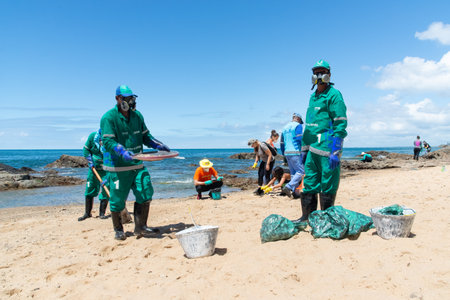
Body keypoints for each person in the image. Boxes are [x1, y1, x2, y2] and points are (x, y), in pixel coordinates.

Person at [100, 85, 171, 240]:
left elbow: (146, 136)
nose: (130, 101)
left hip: (137, 164)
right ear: (117, 99)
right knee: (117, 199)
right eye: (126, 98)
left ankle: (141, 227)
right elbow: (107, 141)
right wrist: (122, 151)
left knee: (145, 190)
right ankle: (118, 229)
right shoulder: (109, 118)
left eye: (131, 98)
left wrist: (157, 144)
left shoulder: (137, 116)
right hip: (117, 167)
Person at [294, 60, 348, 223]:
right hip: (312, 149)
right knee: (309, 183)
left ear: (328, 75)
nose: (318, 76)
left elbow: (340, 122)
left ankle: (326, 219)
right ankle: (307, 218)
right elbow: (309, 125)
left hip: (327, 149)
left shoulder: (334, 95)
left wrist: (336, 150)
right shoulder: (313, 97)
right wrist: (304, 149)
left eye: (322, 72)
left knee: (327, 184)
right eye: (316, 72)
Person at [78, 129, 110, 221]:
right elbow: (86, 149)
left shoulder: (111, 139)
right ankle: (87, 213)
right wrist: (90, 160)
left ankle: (102, 213)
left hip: (106, 170)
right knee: (90, 188)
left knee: (106, 188)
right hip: (93, 169)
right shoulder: (92, 136)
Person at [280, 113, 305, 198]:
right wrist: (303, 150)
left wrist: (283, 153)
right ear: (298, 119)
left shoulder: (285, 127)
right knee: (301, 172)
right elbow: (299, 139)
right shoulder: (298, 126)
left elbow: (282, 143)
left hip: (287, 152)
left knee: (294, 173)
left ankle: (295, 193)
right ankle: (288, 187)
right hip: (295, 151)